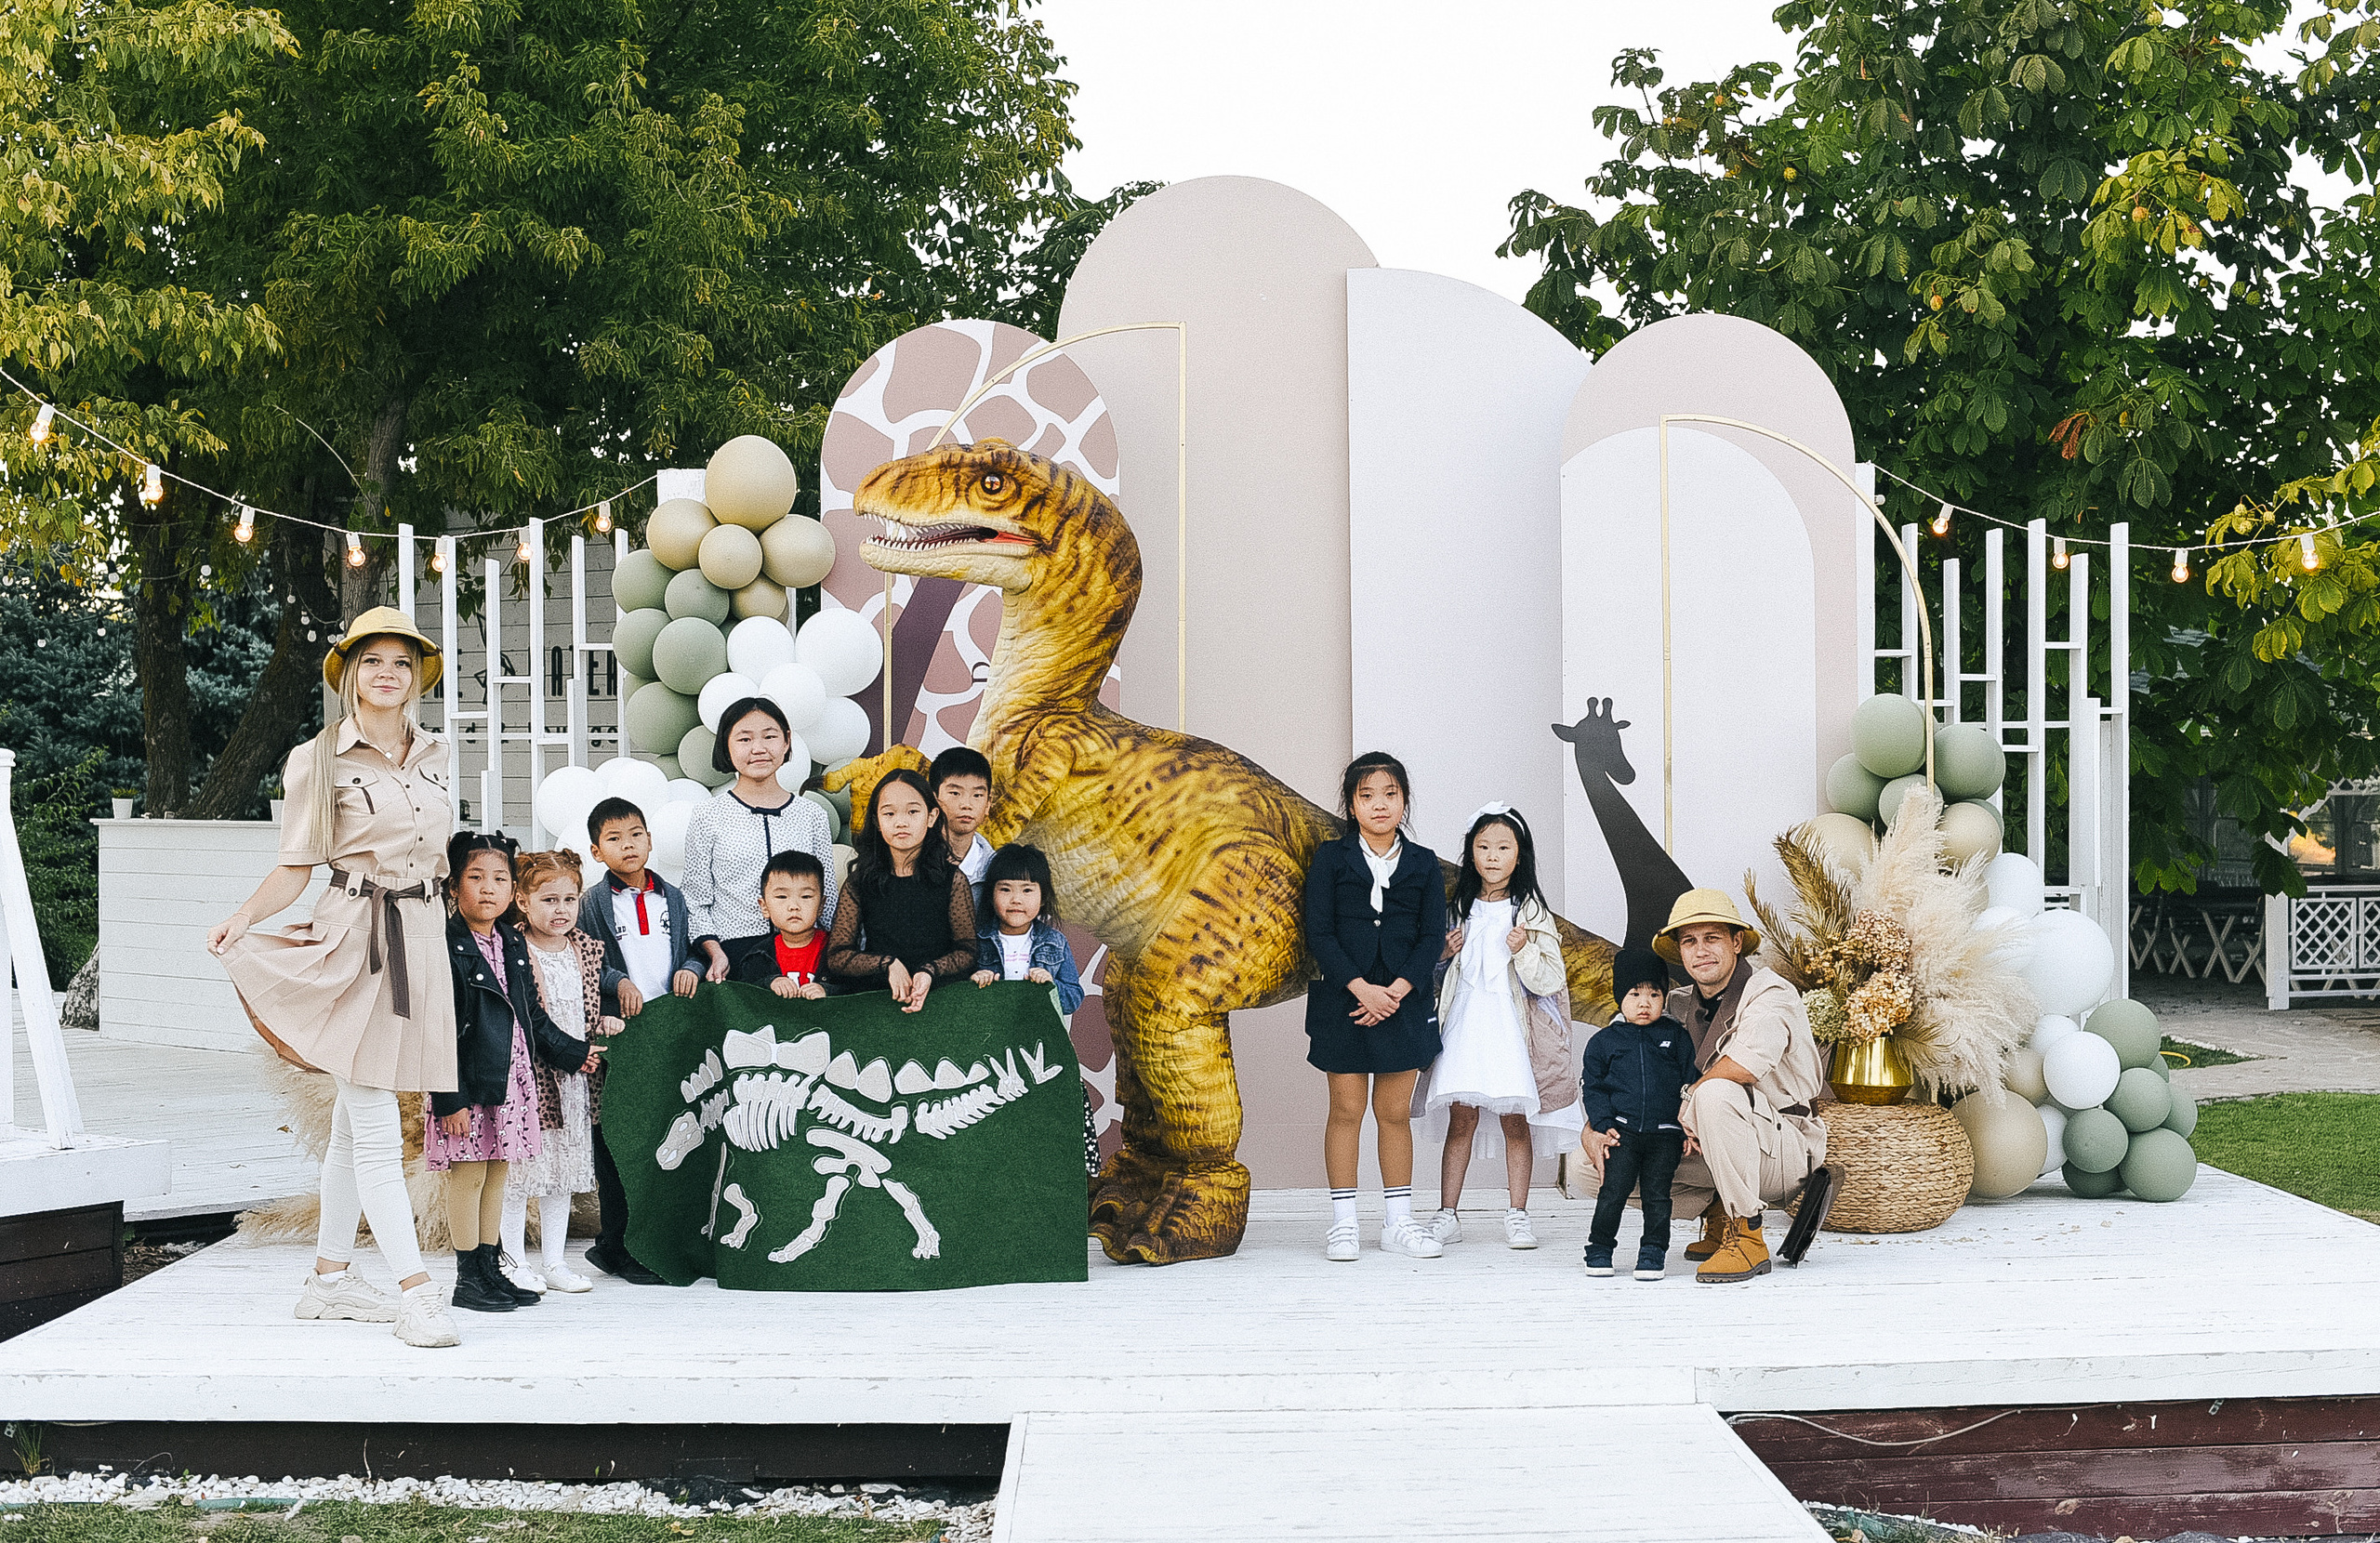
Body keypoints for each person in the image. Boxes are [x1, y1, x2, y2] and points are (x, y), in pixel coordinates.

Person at [208, 608, 460, 1349]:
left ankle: (327, 1280)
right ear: (350, 672)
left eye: (403, 663)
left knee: (355, 1130)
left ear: (417, 677)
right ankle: (416, 1293)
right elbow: (298, 864)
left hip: (422, 939)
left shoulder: (441, 753)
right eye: (374, 661)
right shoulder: (317, 760)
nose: (389, 673)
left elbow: (440, 857)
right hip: (352, 941)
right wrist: (244, 917)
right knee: (378, 1121)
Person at [435, 831, 599, 1313]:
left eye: (499, 878)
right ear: (453, 887)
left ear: (512, 890)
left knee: (497, 1175)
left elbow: (531, 1012)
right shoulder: (448, 945)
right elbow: (438, 1028)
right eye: (475, 877)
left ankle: (493, 1268)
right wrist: (450, 1098)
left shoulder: (510, 939)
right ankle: (468, 1277)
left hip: (512, 1081)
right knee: (469, 1176)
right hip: (468, 1082)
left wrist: (572, 1053)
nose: (488, 888)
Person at [1302, 751, 1446, 1262]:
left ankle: (1398, 1222)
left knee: (1393, 1114)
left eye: (1390, 794)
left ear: (1404, 801)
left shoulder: (1425, 862)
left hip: (1404, 1004)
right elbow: (1318, 931)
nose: (1379, 805)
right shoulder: (1329, 858)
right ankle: (1343, 1224)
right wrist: (1362, 988)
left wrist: (1399, 990)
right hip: (1345, 1001)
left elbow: (1433, 935)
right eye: (1367, 796)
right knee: (1345, 1110)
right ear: (1351, 804)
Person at [1656, 889, 1841, 1283]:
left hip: (1785, 1147)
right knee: (1596, 1163)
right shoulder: (1677, 1003)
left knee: (1715, 1092)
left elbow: (1743, 1067)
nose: (1700, 950)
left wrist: (1688, 1104)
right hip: (1717, 1143)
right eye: (1689, 940)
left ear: (1736, 942)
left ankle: (1748, 1234)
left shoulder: (1771, 993)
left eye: (1712, 938)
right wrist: (1598, 1126)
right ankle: (1718, 1214)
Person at [1417, 804, 1579, 1251]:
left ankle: (1518, 1214)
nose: (1492, 856)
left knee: (1515, 1120)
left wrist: (1523, 948)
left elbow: (1549, 980)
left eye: (1503, 848)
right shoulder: (1459, 908)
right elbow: (1434, 980)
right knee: (1461, 1118)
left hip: (1510, 1028)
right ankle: (1447, 1213)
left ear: (1519, 855)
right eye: (1483, 847)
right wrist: (1444, 955)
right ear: (1470, 853)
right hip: (1466, 1025)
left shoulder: (1531, 912)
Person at [574, 797, 689, 1286]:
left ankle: (652, 1243)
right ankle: (615, 1243)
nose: (628, 845)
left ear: (649, 839)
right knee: (617, 1137)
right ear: (598, 852)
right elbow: (584, 957)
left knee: (663, 1137)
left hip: (668, 1031)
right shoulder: (594, 903)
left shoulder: (673, 898)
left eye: (636, 834)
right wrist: (616, 981)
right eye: (614, 839)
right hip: (622, 1033)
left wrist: (693, 968)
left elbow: (689, 949)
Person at [499, 850, 619, 1296]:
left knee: (564, 1170)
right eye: (548, 900)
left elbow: (589, 1000)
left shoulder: (586, 949)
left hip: (575, 1077)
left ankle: (553, 1262)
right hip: (528, 1075)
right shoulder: (513, 946)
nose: (560, 911)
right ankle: (510, 1259)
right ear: (523, 902)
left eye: (569, 900)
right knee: (518, 1172)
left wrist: (604, 1020)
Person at [968, 843, 1096, 1176]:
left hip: (1041, 1053)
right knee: (995, 1131)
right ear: (990, 894)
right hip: (991, 1055)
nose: (1016, 899)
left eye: (1027, 890)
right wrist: (976, 980)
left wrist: (1049, 985)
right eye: (1005, 889)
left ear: (1042, 896)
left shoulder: (1055, 943)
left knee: (1041, 1131)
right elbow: (961, 1001)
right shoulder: (978, 940)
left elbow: (1074, 996)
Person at [682, 697, 837, 967]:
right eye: (744, 739)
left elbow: (829, 897)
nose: (759, 748)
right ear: (726, 746)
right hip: (734, 956)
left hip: (805, 956)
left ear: (786, 741)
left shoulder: (812, 815)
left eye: (769, 736)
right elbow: (695, 900)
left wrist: (836, 953)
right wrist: (715, 953)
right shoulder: (708, 815)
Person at [1579, 946, 1698, 1281]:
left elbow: (1692, 1082)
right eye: (1634, 994)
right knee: (1613, 1191)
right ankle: (1600, 1249)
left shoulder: (1676, 1037)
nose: (1644, 1003)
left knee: (1657, 1195)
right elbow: (1594, 1088)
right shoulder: (1604, 1042)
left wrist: (1689, 1125)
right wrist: (1602, 1126)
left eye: (1654, 994)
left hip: (1665, 1135)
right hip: (1622, 1134)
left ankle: (1652, 1253)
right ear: (1620, 997)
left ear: (1664, 997)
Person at [824, 769, 975, 1009]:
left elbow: (968, 950)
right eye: (889, 813)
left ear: (932, 817)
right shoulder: (860, 882)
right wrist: (888, 964)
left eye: (913, 811)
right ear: (877, 820)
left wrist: (929, 971)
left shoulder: (953, 880)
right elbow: (838, 957)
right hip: (878, 1002)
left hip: (940, 1001)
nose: (901, 822)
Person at [724, 851, 831, 997]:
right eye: (782, 896)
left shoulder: (835, 950)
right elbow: (745, 996)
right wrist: (769, 983)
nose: (794, 906)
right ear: (764, 907)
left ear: (821, 906)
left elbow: (854, 989)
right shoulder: (758, 956)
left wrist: (827, 990)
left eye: (806, 896)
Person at [931, 745, 998, 909]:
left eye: (977, 795)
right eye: (955, 793)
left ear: (988, 804)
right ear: (933, 799)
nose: (966, 805)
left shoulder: (997, 871)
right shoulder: (909, 862)